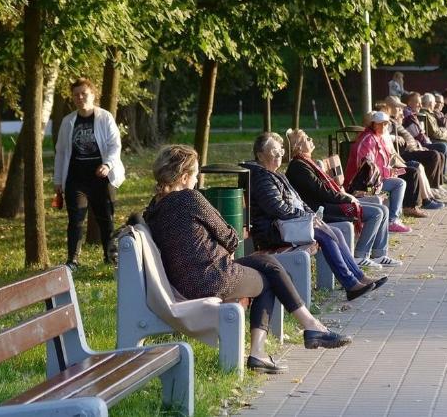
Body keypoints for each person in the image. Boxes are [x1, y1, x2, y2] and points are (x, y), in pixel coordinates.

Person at [143, 145, 351, 374]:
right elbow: (231, 237)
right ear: (183, 177)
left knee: (267, 263)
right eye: (194, 176)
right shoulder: (189, 198)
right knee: (267, 278)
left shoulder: (153, 209)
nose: (195, 181)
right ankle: (268, 348)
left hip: (189, 278)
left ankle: (309, 326)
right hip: (210, 279)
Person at [241, 133, 387, 301]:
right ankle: (350, 284)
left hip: (287, 225)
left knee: (335, 232)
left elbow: (298, 201)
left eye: (280, 150)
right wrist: (307, 217)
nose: (279, 154)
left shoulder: (275, 174)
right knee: (325, 235)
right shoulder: (262, 177)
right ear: (260, 155)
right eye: (274, 150)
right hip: (273, 231)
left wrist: (310, 215)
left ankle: (358, 277)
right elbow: (277, 208)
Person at [285, 129, 404, 269]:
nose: (311, 140)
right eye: (307, 139)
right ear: (298, 147)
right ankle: (360, 256)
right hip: (321, 210)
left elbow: (326, 190)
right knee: (376, 213)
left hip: (327, 203)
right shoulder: (299, 167)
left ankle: (379, 254)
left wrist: (346, 196)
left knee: (383, 209)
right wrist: (347, 199)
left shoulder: (306, 163)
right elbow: (323, 192)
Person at [54, 77, 125, 269]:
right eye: (76, 95)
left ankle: (110, 257)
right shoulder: (68, 122)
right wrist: (58, 180)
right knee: (76, 220)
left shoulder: (104, 117)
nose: (80, 97)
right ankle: (73, 261)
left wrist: (108, 165)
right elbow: (61, 152)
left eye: (84, 93)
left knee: (106, 219)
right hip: (76, 180)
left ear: (93, 95)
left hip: (101, 179)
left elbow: (114, 145)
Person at [344, 112, 421, 229]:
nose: (385, 126)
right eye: (382, 124)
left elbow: (382, 162)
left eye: (386, 123)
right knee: (399, 184)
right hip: (361, 187)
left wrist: (391, 171)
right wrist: (388, 173)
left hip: (372, 182)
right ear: (374, 125)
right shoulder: (368, 140)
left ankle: (394, 218)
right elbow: (367, 169)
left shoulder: (377, 137)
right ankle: (392, 221)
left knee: (401, 179)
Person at [382, 96, 447, 198]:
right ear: (389, 107)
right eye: (398, 108)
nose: (401, 110)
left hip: (413, 148)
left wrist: (418, 145)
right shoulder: (388, 122)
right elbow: (383, 136)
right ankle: (430, 187)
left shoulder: (395, 120)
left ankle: (436, 186)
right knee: (433, 155)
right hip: (404, 154)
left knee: (438, 154)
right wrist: (394, 137)